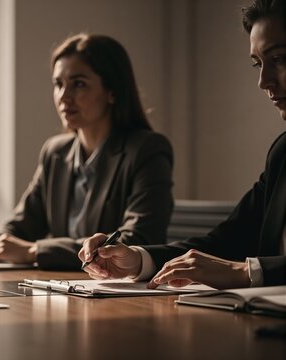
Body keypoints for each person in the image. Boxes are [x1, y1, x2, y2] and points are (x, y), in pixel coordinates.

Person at [78, 0, 286, 289]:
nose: (264, 81)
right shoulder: (282, 153)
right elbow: (225, 242)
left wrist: (249, 272)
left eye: (278, 59)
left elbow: (237, 265)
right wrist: (138, 260)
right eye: (258, 64)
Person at [0, 33, 174, 270]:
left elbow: (138, 242)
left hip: (117, 293)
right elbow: (21, 226)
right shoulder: (55, 152)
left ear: (112, 91)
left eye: (78, 84)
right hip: (63, 289)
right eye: (58, 84)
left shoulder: (147, 150)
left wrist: (33, 251)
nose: (64, 96)